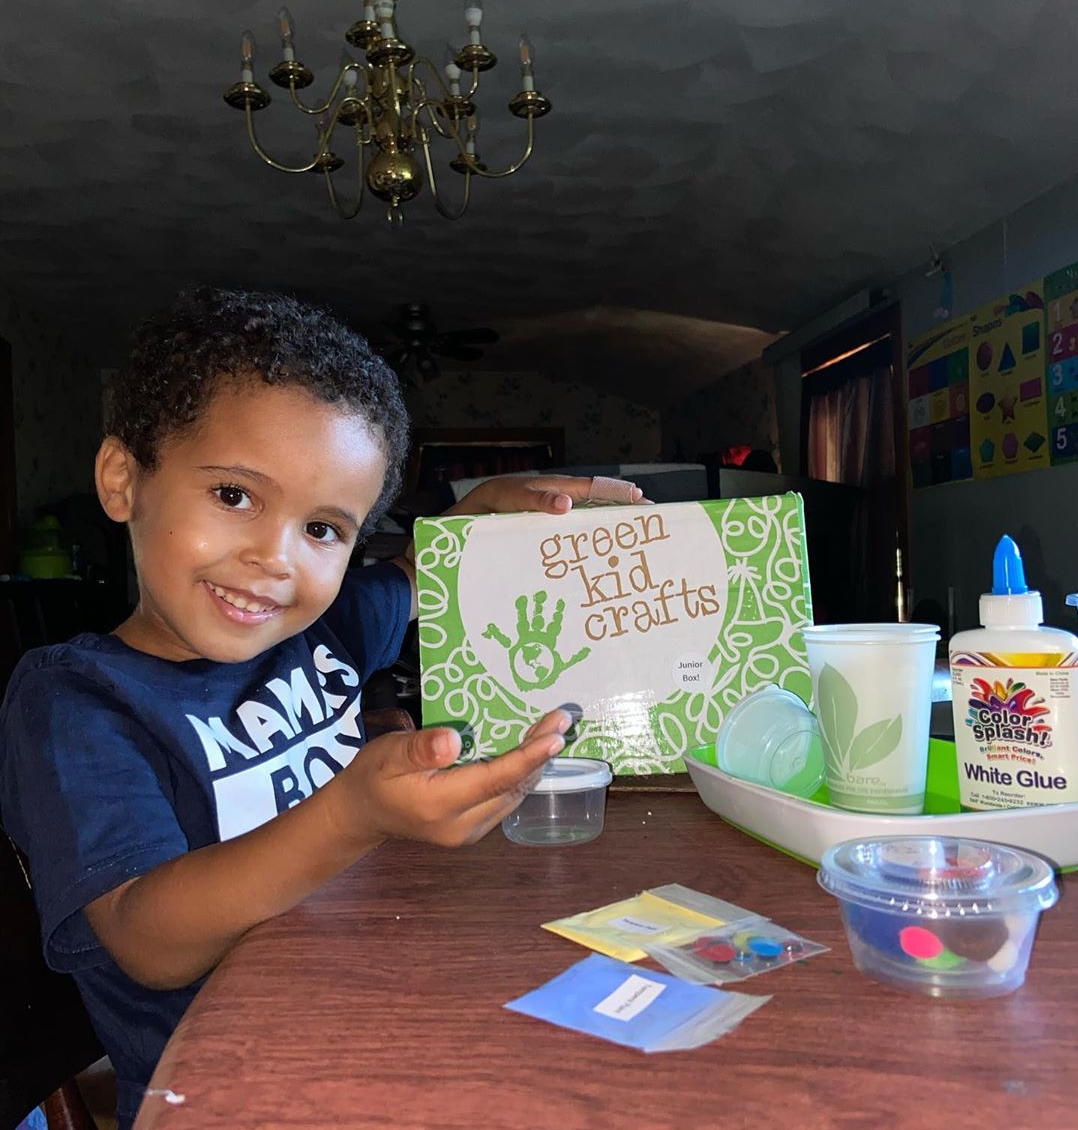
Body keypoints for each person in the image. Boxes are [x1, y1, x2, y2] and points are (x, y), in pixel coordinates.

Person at [0, 287, 647, 1129]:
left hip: (389, 1017)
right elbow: (144, 937)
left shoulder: (327, 629)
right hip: (237, 1090)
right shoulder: (76, 699)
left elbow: (418, 579)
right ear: (124, 480)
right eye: (234, 494)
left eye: (324, 529)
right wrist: (355, 812)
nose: (275, 560)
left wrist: (477, 516)